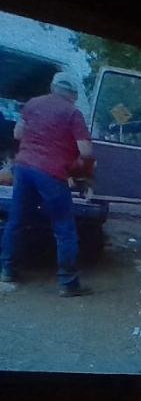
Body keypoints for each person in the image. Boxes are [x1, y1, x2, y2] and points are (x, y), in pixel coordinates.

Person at [0, 73, 94, 296]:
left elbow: (17, 133)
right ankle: (68, 283)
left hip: (23, 168)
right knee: (64, 228)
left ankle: (7, 270)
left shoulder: (32, 104)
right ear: (73, 95)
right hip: (51, 173)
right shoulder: (73, 113)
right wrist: (83, 173)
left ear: (53, 87)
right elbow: (86, 152)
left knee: (17, 221)